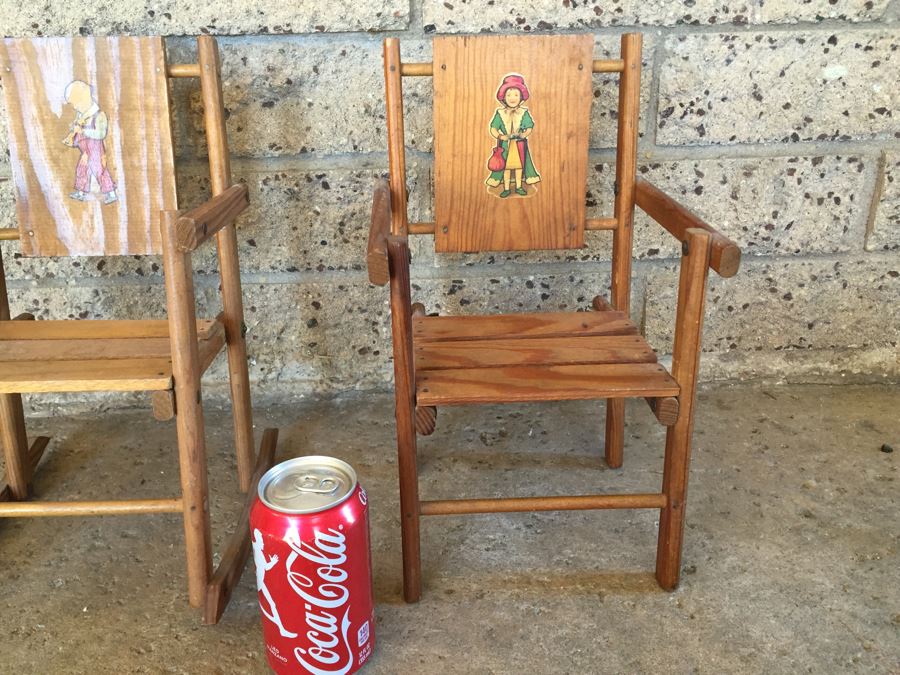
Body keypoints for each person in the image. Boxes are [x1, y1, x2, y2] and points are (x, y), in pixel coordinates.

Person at [485, 73, 541, 197]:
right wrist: (500, 136)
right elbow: (493, 128)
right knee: (505, 167)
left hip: (519, 145)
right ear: (504, 97)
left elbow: (529, 126)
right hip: (505, 146)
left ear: (521, 97)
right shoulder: (500, 113)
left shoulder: (524, 112)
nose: (512, 98)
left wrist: (524, 134)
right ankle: (506, 188)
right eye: (509, 94)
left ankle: (519, 186)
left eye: (516, 94)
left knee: (519, 166)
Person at [62, 80, 118, 204]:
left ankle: (111, 193)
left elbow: (100, 134)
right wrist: (74, 134)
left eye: (76, 103)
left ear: (85, 98)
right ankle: (81, 192)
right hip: (86, 151)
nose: (75, 107)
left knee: (100, 171)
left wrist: (83, 131)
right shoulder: (81, 116)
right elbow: (78, 129)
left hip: (96, 151)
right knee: (82, 169)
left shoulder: (99, 115)